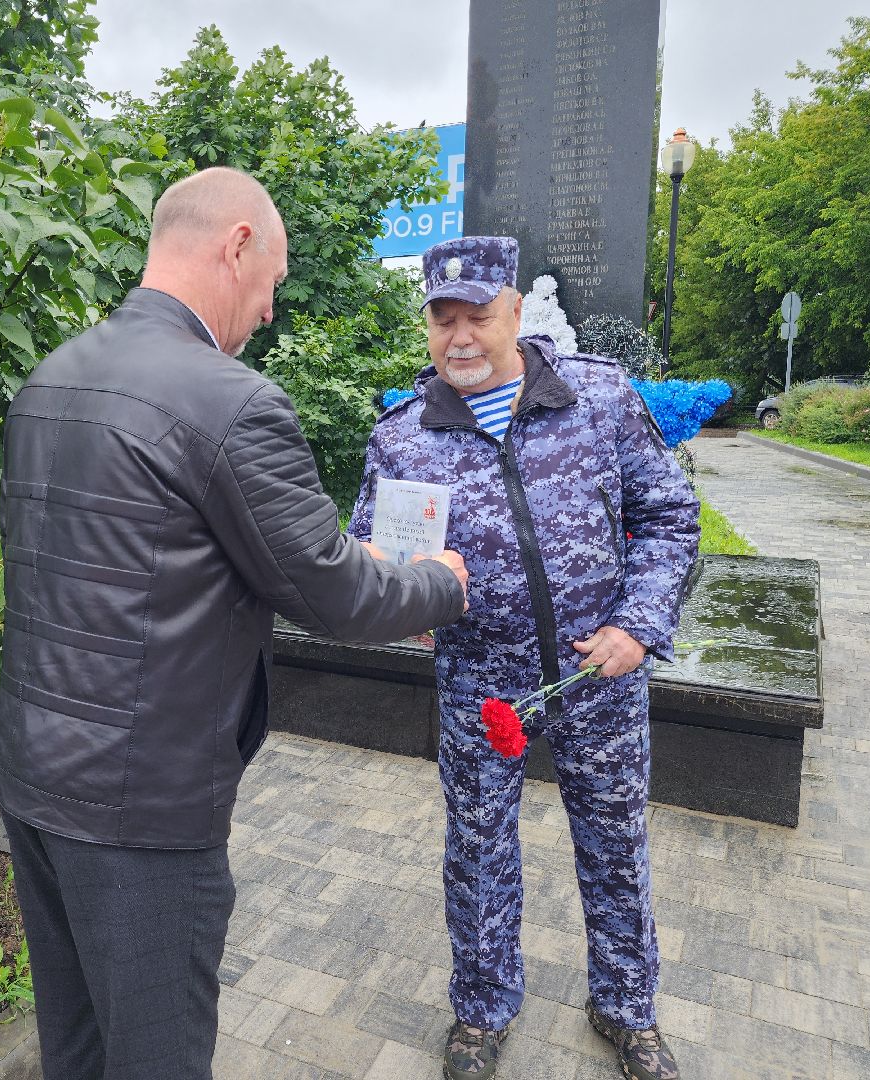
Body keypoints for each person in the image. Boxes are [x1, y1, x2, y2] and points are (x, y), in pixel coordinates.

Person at [0, 167, 470, 1080]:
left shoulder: (50, 377)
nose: (270, 311)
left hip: (30, 779)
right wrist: (439, 584)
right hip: (141, 810)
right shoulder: (230, 401)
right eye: (273, 282)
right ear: (236, 245)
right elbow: (334, 595)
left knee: (76, 1048)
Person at [349, 236, 700, 1080]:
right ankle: (481, 1010)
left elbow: (669, 516)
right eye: (443, 319)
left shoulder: (597, 397)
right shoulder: (404, 436)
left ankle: (626, 1008)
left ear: (514, 310)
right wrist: (394, 588)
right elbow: (365, 550)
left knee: (615, 848)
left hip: (598, 675)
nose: (460, 337)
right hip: (480, 683)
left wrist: (638, 625)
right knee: (477, 854)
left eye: (477, 315)